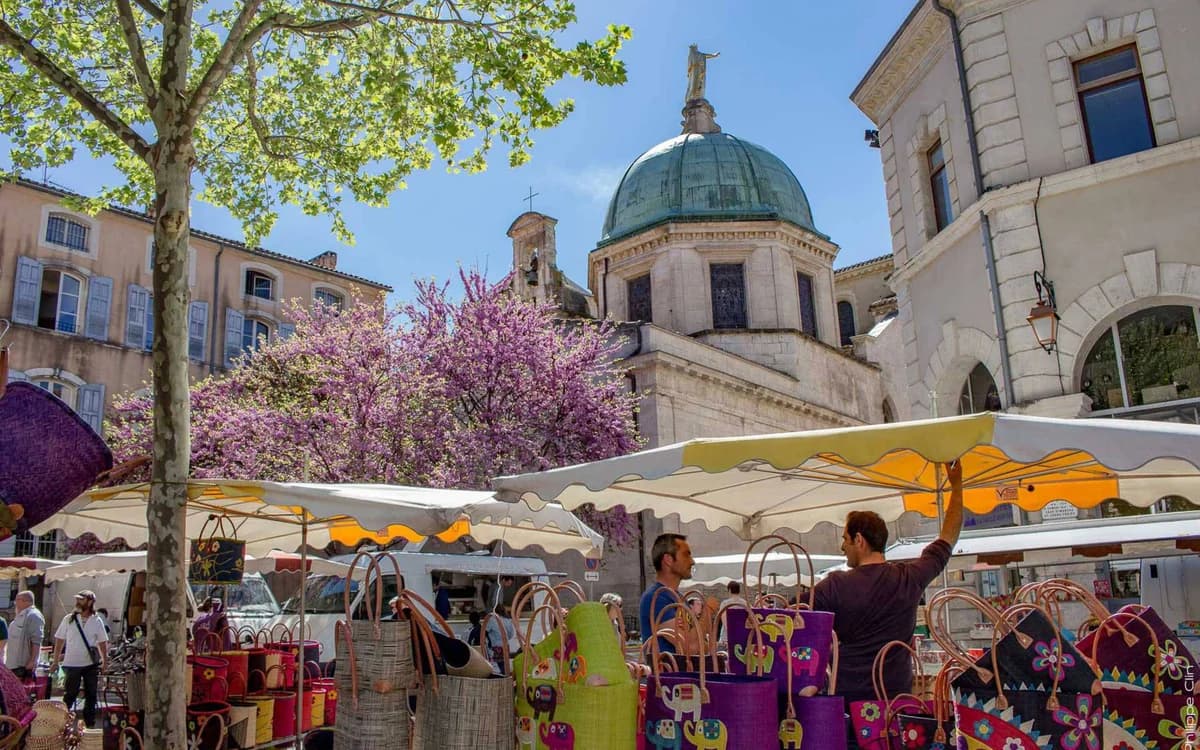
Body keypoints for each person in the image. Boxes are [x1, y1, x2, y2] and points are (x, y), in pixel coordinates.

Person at [812, 461, 963, 750]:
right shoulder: (910, 578)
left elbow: (790, 613)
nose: (842, 547)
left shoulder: (834, 586)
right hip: (897, 710)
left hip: (847, 711)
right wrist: (956, 486)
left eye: (845, 539)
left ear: (859, 540)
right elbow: (948, 537)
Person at [639, 533, 716, 656]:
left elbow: (701, 646)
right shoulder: (656, 597)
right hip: (668, 674)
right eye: (686, 555)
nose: (692, 561)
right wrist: (708, 611)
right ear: (668, 560)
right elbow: (690, 647)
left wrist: (694, 635)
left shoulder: (678, 598)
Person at [52, 590, 108, 728]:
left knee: (91, 694)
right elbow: (60, 640)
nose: (78, 602)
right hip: (72, 663)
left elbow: (102, 642)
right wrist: (55, 660)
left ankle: (89, 725)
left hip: (90, 664)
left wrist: (105, 661)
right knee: (70, 694)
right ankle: (63, 723)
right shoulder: (69, 619)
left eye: (81, 600)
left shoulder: (96, 620)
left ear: (90, 602)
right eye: (77, 599)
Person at [6, 590, 45, 681]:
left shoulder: (33, 616)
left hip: (22, 665)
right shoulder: (21, 615)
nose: (15, 603)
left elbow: (36, 640)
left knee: (20, 692)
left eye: (17, 600)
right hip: (12, 664)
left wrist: (32, 661)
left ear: (25, 601)